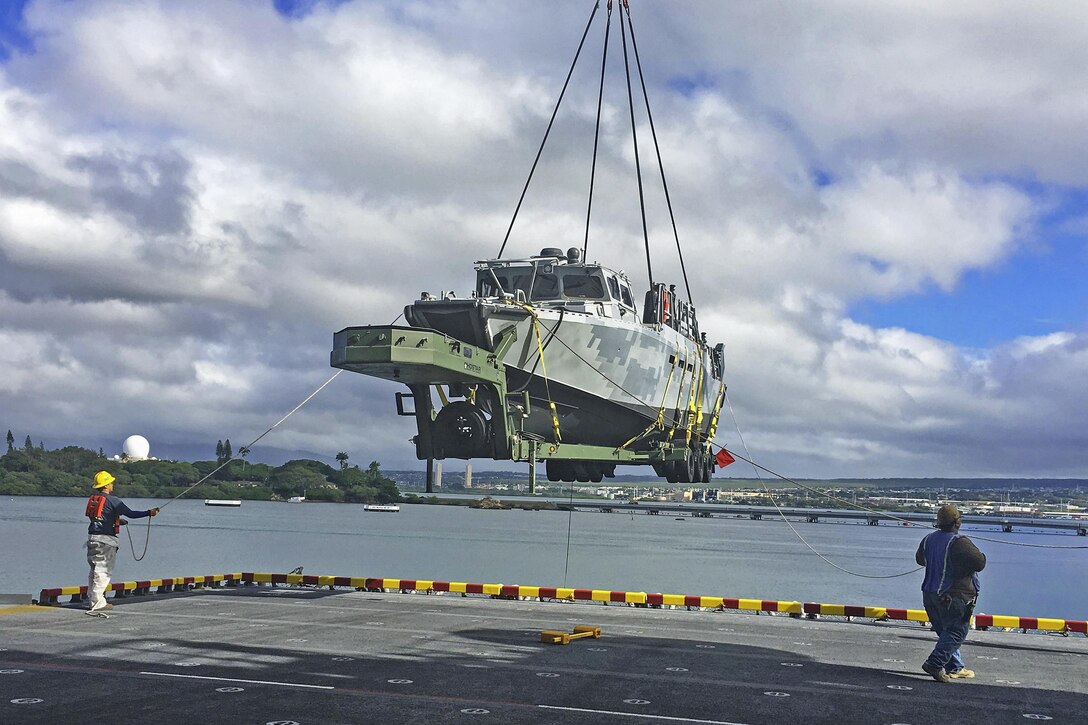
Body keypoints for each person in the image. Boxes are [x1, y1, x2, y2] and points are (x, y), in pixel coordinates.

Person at [915, 503, 986, 682]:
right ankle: (935, 663)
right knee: (956, 632)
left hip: (929, 594)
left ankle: (955, 667)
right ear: (957, 523)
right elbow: (980, 563)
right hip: (951, 596)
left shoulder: (928, 539)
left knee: (945, 633)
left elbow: (920, 560)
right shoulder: (959, 542)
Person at [84, 470, 159, 615]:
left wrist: (117, 521)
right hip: (106, 540)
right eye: (110, 482)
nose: (112, 484)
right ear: (106, 485)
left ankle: (92, 599)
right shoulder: (113, 500)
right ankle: (98, 603)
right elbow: (131, 513)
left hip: (92, 538)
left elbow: (99, 518)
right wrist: (148, 513)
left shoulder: (94, 499)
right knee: (103, 571)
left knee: (94, 571)